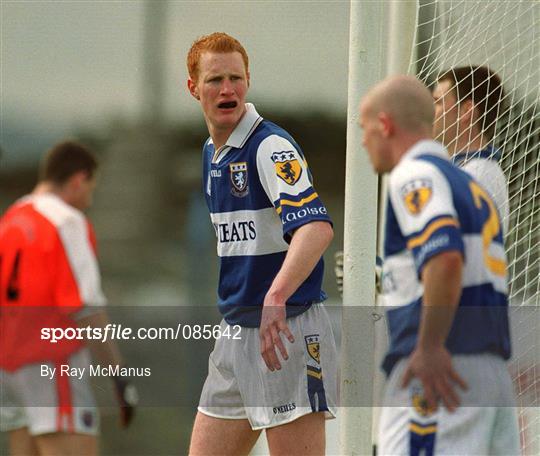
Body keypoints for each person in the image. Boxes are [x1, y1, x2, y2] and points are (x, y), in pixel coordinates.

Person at [186, 32, 337, 455]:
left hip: (285, 331)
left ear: (248, 81)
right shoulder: (210, 153)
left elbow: (316, 229)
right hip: (235, 334)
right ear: (193, 87)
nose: (227, 89)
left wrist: (276, 295)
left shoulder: (269, 146)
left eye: (236, 77)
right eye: (215, 79)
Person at [358, 75, 520, 455]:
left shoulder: (416, 174)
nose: (363, 141)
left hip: (442, 370)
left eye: (365, 128)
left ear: (385, 125)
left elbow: (445, 258)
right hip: (490, 370)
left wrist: (429, 346)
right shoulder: (471, 183)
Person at [0, 141, 136, 455]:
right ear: (78, 180)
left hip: (9, 368)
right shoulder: (67, 221)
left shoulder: (11, 219)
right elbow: (86, 308)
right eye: (91, 188)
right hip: (51, 363)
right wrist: (118, 374)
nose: (89, 200)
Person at [433, 65, 509, 235]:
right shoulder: (471, 169)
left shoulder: (475, 176)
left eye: (437, 101)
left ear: (466, 111)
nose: (430, 110)